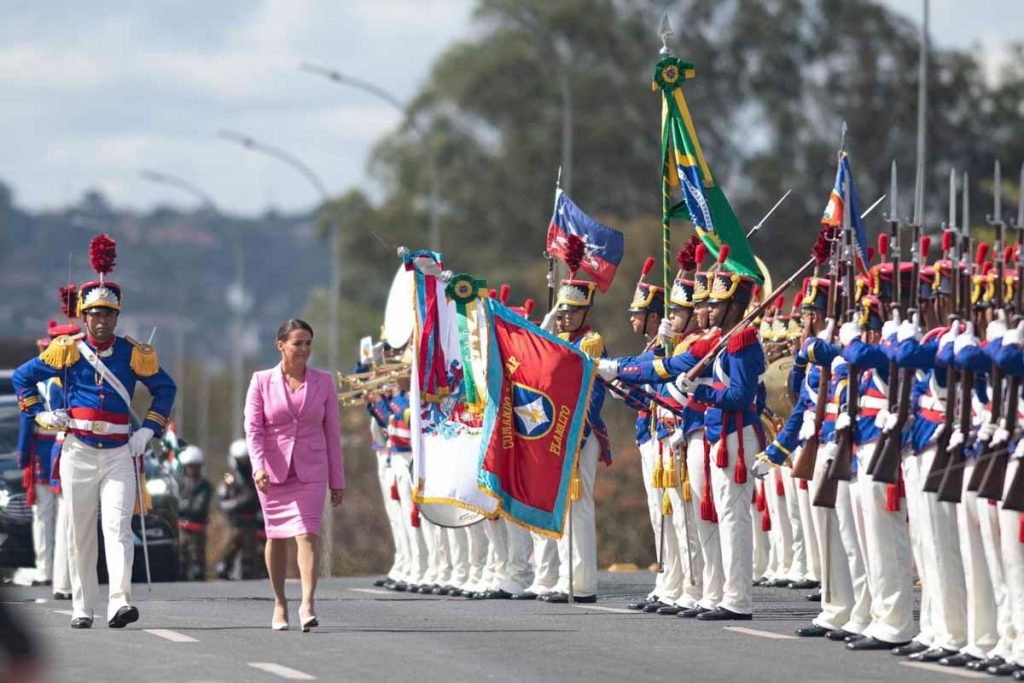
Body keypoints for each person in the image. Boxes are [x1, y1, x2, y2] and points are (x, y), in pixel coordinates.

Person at [12, 233, 177, 629]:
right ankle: (82, 606)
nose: (102, 321)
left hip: (120, 450)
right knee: (80, 531)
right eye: (95, 314)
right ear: (84, 317)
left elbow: (165, 388)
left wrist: (149, 430)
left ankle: (120, 602)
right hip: (79, 450)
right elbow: (23, 378)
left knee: (118, 529)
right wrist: (41, 415)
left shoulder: (132, 353)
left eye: (109, 314)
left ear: (117, 318)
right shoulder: (67, 350)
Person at [244, 319, 345, 632]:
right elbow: (253, 428)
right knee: (276, 537)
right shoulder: (261, 381)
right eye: (297, 343)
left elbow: (332, 433)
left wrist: (337, 480)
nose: (304, 349)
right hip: (272, 471)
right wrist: (258, 465)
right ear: (281, 345)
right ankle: (279, 602)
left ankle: (307, 603)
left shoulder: (324, 382)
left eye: (308, 343)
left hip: (312, 470)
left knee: (307, 534)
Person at [216, 439, 264, 580]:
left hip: (252, 521)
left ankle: (250, 571)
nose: (243, 463)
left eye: (245, 460)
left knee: (251, 551)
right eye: (240, 460)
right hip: (234, 522)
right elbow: (223, 498)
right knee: (230, 545)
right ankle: (224, 566)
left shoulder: (255, 476)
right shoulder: (229, 477)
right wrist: (238, 502)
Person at [176, 445, 212, 581]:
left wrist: (185, 507)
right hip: (181, 527)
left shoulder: (205, 485)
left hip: (197, 528)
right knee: (181, 559)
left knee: (197, 561)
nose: (193, 469)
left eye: (196, 466)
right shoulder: (178, 483)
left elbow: (199, 508)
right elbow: (175, 504)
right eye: (190, 466)